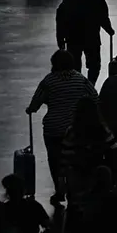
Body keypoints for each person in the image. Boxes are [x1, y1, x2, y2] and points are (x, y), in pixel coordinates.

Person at [26, 49, 99, 206]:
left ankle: (59, 190)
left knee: (55, 160)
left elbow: (35, 103)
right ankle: (73, 190)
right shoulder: (81, 80)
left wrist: (31, 109)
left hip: (54, 129)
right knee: (74, 159)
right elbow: (94, 97)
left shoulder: (49, 81)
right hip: (75, 129)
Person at [60, 96, 117, 212]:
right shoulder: (102, 130)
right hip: (99, 175)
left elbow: (65, 157)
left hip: (78, 175)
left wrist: (62, 178)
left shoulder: (72, 132)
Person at [56, 0, 115, 84]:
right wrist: (109, 29)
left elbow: (61, 18)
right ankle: (89, 86)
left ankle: (77, 85)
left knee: (74, 65)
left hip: (73, 37)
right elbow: (103, 16)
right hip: (92, 37)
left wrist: (60, 38)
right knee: (94, 65)